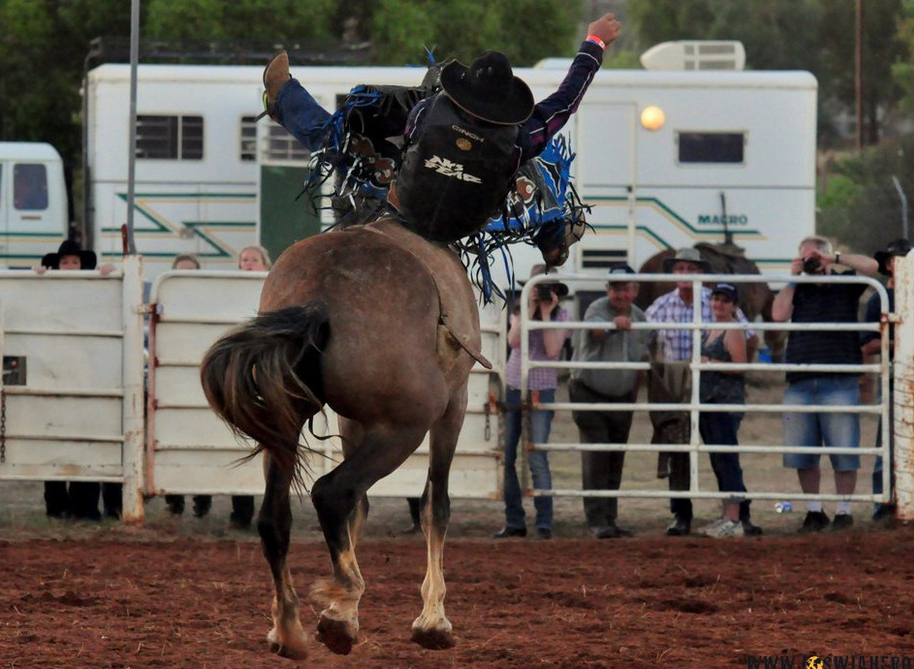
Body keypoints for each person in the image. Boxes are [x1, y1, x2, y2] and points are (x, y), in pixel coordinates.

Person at [260, 13, 621, 264]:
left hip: (408, 205)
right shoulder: (521, 137)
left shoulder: (428, 110)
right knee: (540, 178)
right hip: (466, 221)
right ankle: (553, 241)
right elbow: (566, 101)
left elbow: (410, 142)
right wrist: (594, 43)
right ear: (506, 105)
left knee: (348, 148)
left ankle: (285, 100)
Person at [644, 247, 760, 537]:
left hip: (715, 388)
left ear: (702, 273)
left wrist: (733, 367)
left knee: (723, 452)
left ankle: (738, 514)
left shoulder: (719, 301)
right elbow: (641, 335)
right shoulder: (661, 305)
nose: (686, 275)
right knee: (679, 451)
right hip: (678, 384)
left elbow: (750, 335)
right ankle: (682, 514)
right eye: (681, 269)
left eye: (692, 269)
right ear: (673, 273)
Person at [772, 235, 878, 532]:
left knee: (844, 449)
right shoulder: (798, 289)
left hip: (839, 378)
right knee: (802, 451)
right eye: (808, 257)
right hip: (800, 379)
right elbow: (778, 315)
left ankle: (844, 511)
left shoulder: (845, 284)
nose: (813, 261)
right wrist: (793, 279)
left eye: (817, 256)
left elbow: (872, 266)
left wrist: (836, 259)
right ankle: (814, 510)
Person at [569, 264, 650, 538]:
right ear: (608, 290)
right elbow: (596, 333)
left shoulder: (641, 319)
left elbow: (642, 359)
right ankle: (596, 519)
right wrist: (613, 326)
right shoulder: (597, 310)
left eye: (625, 289)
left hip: (622, 395)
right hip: (589, 390)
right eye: (615, 288)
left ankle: (608, 518)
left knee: (615, 456)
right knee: (597, 452)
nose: (620, 294)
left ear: (635, 291)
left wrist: (632, 394)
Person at [37, 240, 116, 520]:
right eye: (65, 262)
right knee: (54, 439)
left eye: (74, 262)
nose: (70, 267)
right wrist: (37, 280)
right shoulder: (45, 291)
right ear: (56, 266)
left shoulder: (97, 290)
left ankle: (84, 507)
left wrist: (110, 278)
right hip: (53, 374)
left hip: (88, 374)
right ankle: (57, 506)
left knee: (87, 439)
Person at [494, 264, 570, 540]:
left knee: (537, 455)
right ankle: (514, 520)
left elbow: (551, 351)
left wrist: (547, 314)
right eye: (539, 287)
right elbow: (514, 342)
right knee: (509, 456)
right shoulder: (518, 310)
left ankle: (544, 521)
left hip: (542, 388)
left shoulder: (562, 315)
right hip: (515, 385)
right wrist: (529, 308)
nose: (544, 293)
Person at [863, 239, 914, 520]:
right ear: (888, 265)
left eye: (904, 258)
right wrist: (900, 343)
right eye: (894, 259)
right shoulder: (878, 298)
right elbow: (866, 344)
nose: (898, 263)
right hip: (892, 375)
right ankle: (883, 505)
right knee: (888, 441)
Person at [698, 284, 755, 538]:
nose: (718, 304)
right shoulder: (709, 329)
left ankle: (734, 518)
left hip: (725, 401)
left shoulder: (733, 330)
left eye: (725, 300)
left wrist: (710, 363)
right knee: (718, 460)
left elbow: (740, 366)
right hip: (708, 401)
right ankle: (726, 515)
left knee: (727, 459)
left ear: (734, 306)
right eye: (716, 299)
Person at [162, 254, 214, 518]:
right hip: (172, 378)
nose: (187, 276)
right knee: (172, 438)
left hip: (200, 377)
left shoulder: (208, 304)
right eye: (181, 271)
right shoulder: (163, 299)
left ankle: (202, 498)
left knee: (202, 438)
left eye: (191, 271)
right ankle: (174, 497)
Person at [228, 245, 272, 529]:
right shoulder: (231, 290)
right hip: (242, 375)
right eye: (244, 260)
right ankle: (241, 512)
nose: (248, 264)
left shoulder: (273, 288)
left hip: (266, 373)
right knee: (238, 444)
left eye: (254, 259)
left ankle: (271, 506)